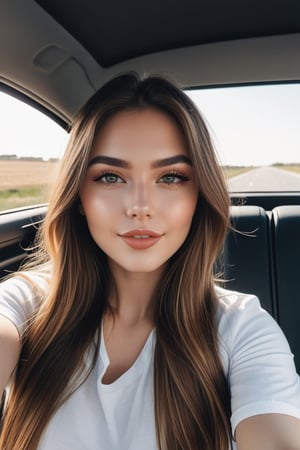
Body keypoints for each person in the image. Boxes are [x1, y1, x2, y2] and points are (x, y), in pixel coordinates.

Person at [0, 73, 299, 450]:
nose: (140, 207)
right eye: (110, 177)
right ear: (79, 195)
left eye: (171, 177)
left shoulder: (242, 329)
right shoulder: (24, 304)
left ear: (199, 195)